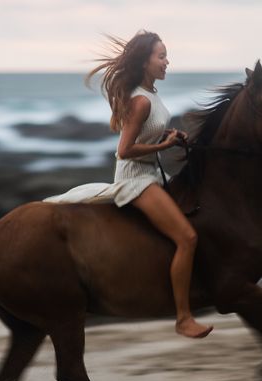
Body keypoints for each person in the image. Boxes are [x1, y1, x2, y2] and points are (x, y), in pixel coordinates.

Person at [45, 30, 213, 339]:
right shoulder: (140, 101)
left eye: (166, 56)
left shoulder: (151, 94)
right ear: (145, 61)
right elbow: (124, 150)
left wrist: (168, 137)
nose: (166, 62)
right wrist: (162, 148)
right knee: (187, 237)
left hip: (150, 175)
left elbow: (145, 137)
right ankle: (183, 317)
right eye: (161, 56)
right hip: (135, 180)